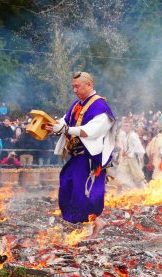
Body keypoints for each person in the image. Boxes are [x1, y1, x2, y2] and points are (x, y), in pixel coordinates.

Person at [45, 71, 117, 240]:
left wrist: (65, 129)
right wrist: (52, 126)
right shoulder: (77, 105)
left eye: (77, 86)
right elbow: (65, 120)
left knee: (83, 191)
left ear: (89, 85)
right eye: (73, 87)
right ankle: (82, 224)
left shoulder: (100, 107)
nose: (75, 90)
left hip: (91, 158)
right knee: (67, 185)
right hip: (77, 156)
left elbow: (91, 131)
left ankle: (97, 222)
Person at [116, 120, 146, 188]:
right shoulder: (123, 135)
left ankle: (143, 189)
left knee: (137, 176)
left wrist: (131, 154)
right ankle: (129, 191)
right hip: (125, 158)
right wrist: (122, 153)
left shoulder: (133, 135)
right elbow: (122, 146)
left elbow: (138, 147)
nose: (125, 127)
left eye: (127, 126)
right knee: (124, 174)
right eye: (124, 126)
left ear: (131, 127)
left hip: (133, 158)